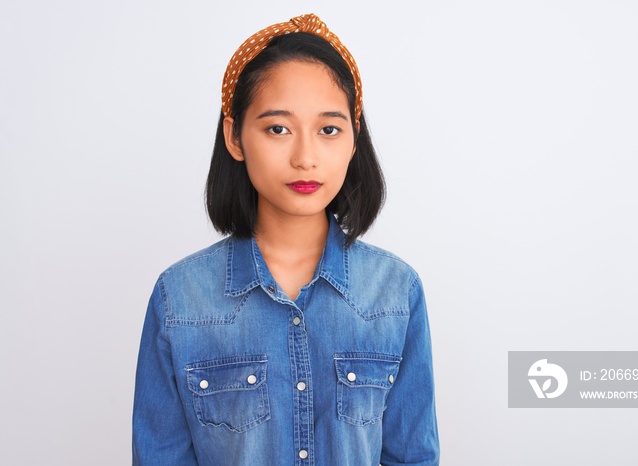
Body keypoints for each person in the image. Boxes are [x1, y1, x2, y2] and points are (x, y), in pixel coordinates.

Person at [132, 13, 439, 466]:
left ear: (354, 140)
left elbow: (412, 456)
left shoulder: (396, 292)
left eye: (329, 129)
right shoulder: (180, 298)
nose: (305, 157)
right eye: (278, 128)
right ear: (235, 136)